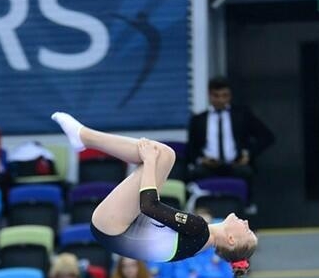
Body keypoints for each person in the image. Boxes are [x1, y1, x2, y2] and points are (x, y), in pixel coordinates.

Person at [51, 112, 257, 268]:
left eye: (247, 230)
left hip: (113, 227)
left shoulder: (199, 230)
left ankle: (84, 136)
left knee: (157, 154)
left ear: (231, 240)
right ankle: (83, 138)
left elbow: (149, 206)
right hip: (122, 228)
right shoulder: (200, 241)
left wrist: (149, 162)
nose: (246, 222)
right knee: (165, 155)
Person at [185, 77, 275, 191]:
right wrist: (201, 160)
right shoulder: (198, 119)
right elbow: (191, 148)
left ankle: (247, 206)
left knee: (246, 172)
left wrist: (248, 154)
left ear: (230, 95)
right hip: (208, 166)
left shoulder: (242, 115)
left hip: (236, 165)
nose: (221, 100)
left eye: (224, 95)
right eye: (216, 96)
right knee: (194, 174)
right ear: (209, 95)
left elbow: (267, 136)